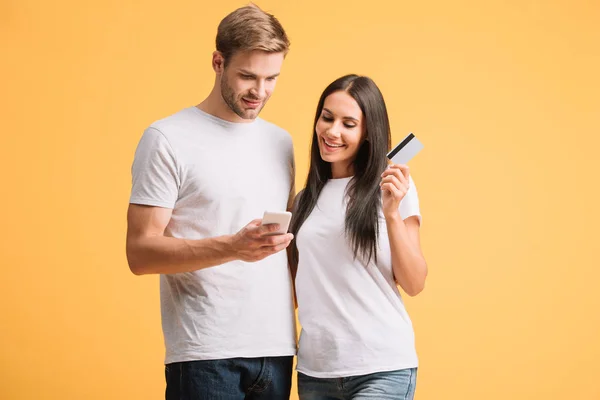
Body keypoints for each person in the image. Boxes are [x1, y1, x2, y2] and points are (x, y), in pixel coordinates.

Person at [125, 5, 297, 399]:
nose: (260, 91)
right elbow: (139, 253)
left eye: (272, 78)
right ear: (218, 62)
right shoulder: (167, 138)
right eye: (247, 76)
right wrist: (233, 247)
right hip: (205, 353)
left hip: (277, 350)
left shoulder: (280, 142)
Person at [289, 74, 428, 400]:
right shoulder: (304, 200)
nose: (332, 131)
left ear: (367, 134)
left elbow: (414, 282)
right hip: (315, 372)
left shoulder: (394, 190)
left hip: (381, 366)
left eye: (348, 123)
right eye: (327, 117)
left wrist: (392, 212)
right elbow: (294, 288)